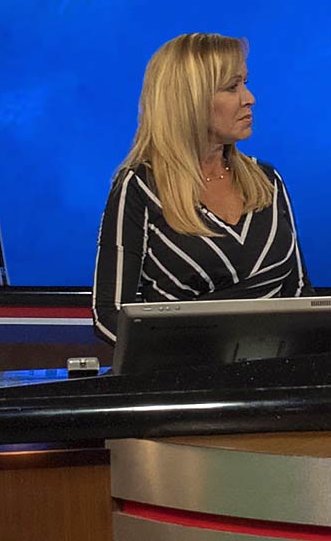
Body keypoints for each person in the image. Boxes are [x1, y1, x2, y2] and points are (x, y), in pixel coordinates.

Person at [92, 33, 312, 343]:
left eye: (245, 84)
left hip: (273, 379)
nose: (249, 98)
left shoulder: (267, 180)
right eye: (232, 87)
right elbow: (109, 314)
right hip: (183, 380)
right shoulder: (140, 187)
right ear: (190, 100)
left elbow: (299, 293)